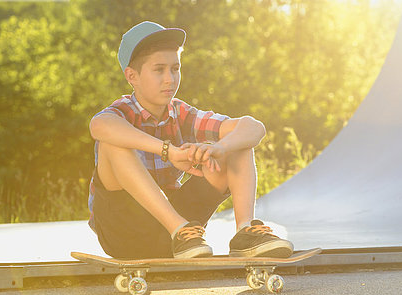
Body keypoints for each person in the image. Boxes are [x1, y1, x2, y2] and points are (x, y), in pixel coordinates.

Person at [86, 21, 293, 259]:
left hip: (182, 240)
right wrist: (170, 152)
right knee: (112, 144)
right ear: (132, 76)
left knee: (238, 141)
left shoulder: (181, 113)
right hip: (124, 235)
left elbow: (253, 127)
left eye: (175, 69)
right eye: (159, 70)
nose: (169, 79)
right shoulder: (121, 113)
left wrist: (217, 148)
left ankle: (244, 232)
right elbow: (99, 125)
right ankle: (178, 228)